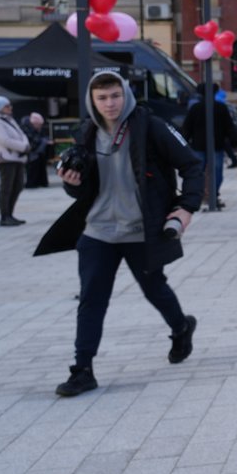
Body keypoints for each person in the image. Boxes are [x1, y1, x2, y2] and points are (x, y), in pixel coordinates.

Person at [35, 71, 201, 398]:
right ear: (92, 101)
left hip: (141, 230)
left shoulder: (150, 125)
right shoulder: (86, 133)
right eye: (102, 98)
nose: (110, 104)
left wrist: (186, 208)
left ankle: (181, 327)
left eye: (115, 96)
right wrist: (72, 182)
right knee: (91, 300)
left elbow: (192, 165)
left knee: (154, 288)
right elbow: (81, 190)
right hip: (97, 231)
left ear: (125, 94)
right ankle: (83, 370)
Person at [181, 83, 235, 207]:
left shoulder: (196, 108)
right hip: (216, 144)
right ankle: (212, 194)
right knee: (216, 171)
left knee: (199, 171)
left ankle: (202, 195)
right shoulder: (220, 107)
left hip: (200, 144)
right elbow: (229, 126)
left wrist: (185, 141)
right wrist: (233, 141)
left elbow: (187, 127)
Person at [0, 97, 30, 225]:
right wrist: (23, 146)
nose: (10, 108)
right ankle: (5, 217)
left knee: (18, 186)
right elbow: (4, 140)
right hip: (6, 159)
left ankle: (10, 214)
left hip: (17, 158)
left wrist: (25, 144)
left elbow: (22, 135)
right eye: (7, 106)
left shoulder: (9, 120)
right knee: (7, 188)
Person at [23, 112, 52, 190]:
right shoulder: (26, 128)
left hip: (38, 152)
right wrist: (43, 141)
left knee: (40, 165)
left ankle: (41, 182)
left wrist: (45, 140)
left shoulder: (36, 128)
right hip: (31, 152)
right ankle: (33, 183)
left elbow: (41, 137)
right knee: (33, 167)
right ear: (34, 123)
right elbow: (31, 141)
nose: (40, 126)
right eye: (39, 124)